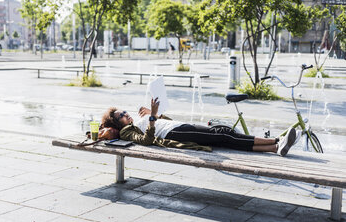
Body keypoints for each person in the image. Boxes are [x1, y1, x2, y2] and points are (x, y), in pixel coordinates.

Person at [100, 98, 296, 156]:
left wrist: (156, 115)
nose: (126, 115)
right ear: (118, 123)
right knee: (224, 136)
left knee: (225, 133)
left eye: (125, 112)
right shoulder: (127, 131)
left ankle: (274, 148)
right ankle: (277, 140)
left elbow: (166, 119)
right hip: (176, 133)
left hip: (179, 126)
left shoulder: (140, 120)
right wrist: (151, 118)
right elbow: (147, 141)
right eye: (121, 116)